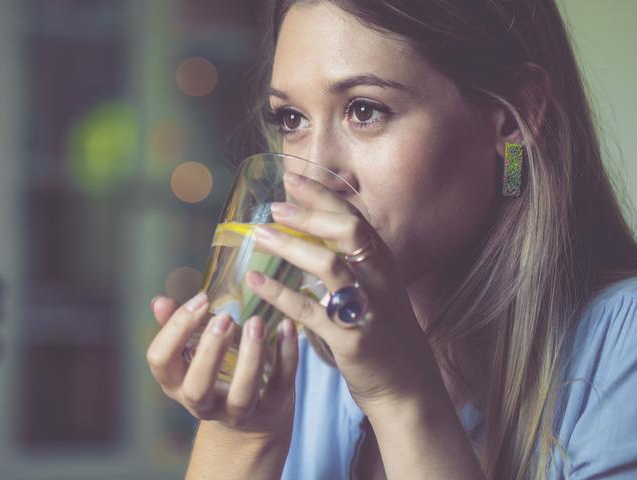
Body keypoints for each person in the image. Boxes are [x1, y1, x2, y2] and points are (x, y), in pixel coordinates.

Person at [146, 0, 637, 478]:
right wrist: (242, 432)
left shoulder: (622, 349)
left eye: (365, 111)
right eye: (292, 119)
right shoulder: (299, 345)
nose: (314, 174)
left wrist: (401, 397)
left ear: (516, 117)